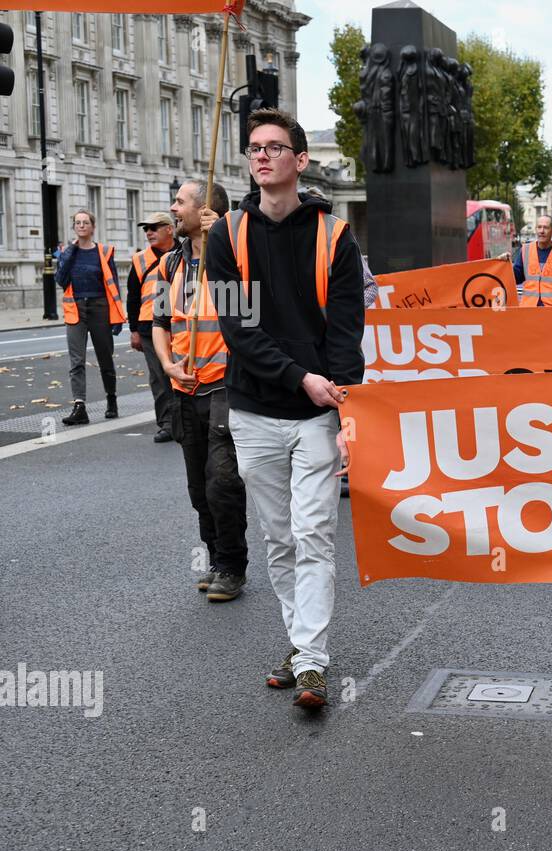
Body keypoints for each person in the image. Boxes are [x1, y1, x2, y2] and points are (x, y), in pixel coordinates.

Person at [206, 107, 366, 709]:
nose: (263, 156)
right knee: (279, 539)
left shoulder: (337, 236)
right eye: (254, 148)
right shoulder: (224, 236)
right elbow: (238, 330)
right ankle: (302, 647)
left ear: (300, 161)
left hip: (319, 413)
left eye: (275, 147)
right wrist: (302, 378)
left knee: (316, 533)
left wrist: (347, 409)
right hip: (253, 408)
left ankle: (313, 662)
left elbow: (347, 329)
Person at [152, 179, 248, 603]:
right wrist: (169, 364)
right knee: (197, 487)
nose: (173, 208)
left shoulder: (233, 259)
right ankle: (214, 557)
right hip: (183, 386)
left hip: (225, 384)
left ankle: (232, 566)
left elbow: (251, 313)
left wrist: (225, 237)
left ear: (205, 210)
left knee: (222, 480)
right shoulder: (170, 264)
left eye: (180, 202)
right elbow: (158, 324)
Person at [54, 210, 126, 425]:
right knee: (76, 361)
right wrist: (70, 252)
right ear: (74, 227)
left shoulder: (104, 252)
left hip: (100, 308)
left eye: (86, 222)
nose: (82, 226)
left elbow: (113, 286)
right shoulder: (69, 252)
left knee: (105, 358)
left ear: (93, 227)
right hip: (75, 309)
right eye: (78, 222)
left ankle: (111, 400)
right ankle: (79, 407)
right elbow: (60, 280)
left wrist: (116, 318)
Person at [127, 212, 178, 442]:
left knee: (183, 374)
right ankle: (167, 423)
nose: (149, 232)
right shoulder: (139, 259)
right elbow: (133, 296)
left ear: (169, 229)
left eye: (154, 227)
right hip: (149, 325)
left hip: (180, 321)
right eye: (146, 229)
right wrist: (134, 330)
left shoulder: (186, 251)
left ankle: (187, 420)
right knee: (159, 377)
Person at [513, 214, 552, 306]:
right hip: (529, 311)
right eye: (539, 227)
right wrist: (503, 263)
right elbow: (515, 278)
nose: (542, 231)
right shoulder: (525, 250)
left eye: (546, 228)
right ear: (536, 229)